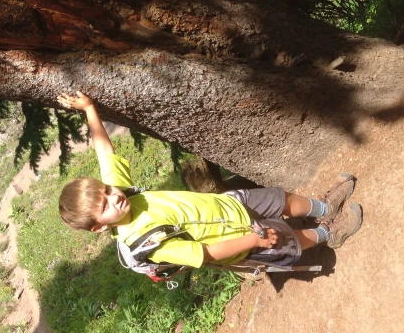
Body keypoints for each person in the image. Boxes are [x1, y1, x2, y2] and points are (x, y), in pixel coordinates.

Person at [57, 91, 362, 270]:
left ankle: (323, 207)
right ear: (99, 227)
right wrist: (253, 240)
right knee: (285, 240)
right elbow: (204, 254)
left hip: (228, 204)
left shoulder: (120, 192)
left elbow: (104, 151)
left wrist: (89, 110)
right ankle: (327, 233)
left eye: (107, 190)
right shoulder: (144, 242)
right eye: (105, 204)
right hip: (239, 238)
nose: (114, 197)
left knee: (280, 198)